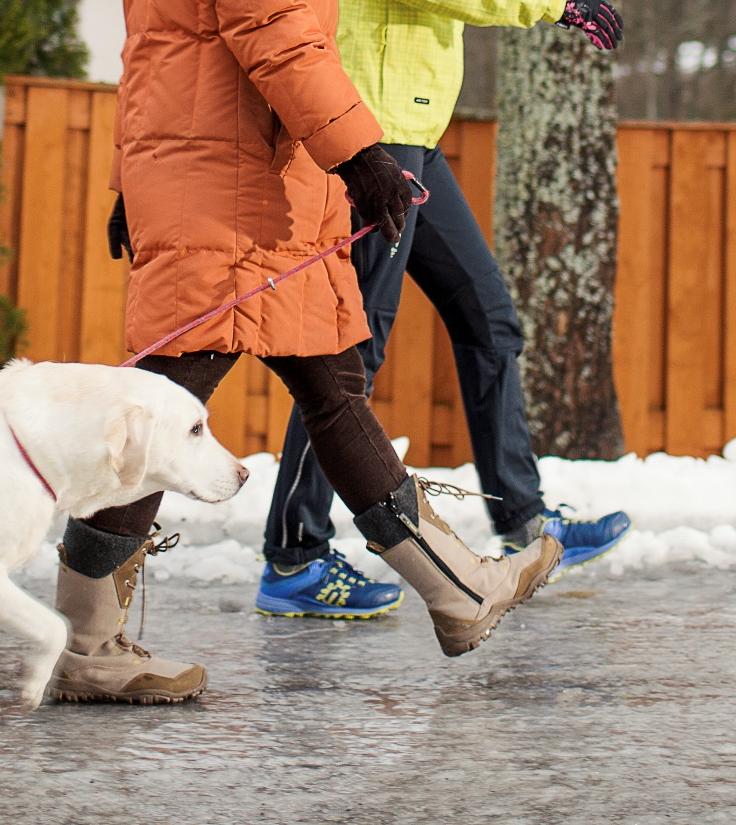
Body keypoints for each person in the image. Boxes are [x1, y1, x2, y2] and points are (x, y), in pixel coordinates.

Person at [46, 0, 566, 705]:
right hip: (233, 196)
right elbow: (279, 31)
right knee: (160, 409)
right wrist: (360, 154)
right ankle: (86, 644)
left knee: (334, 386)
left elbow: (153, 55)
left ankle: (460, 587)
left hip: (243, 187)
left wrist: (129, 183)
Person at [257, 0, 629, 620]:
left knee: (490, 319)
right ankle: (294, 556)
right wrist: (553, 5)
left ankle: (524, 519)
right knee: (353, 349)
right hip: (372, 133)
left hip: (416, 136)